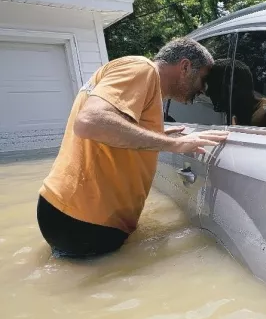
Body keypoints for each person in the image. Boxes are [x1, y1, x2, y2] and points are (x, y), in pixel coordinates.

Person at [36, 37, 229, 258]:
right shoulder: (141, 68)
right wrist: (175, 144)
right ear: (185, 67)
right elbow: (90, 122)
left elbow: (111, 132)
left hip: (68, 210)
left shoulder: (143, 88)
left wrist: (156, 135)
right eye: (203, 78)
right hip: (86, 219)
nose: (203, 89)